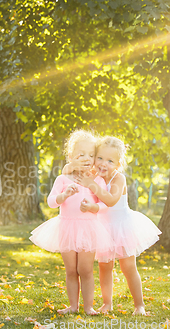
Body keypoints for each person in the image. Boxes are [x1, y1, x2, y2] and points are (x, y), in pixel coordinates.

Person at [70, 136, 161, 316]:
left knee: (128, 266)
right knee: (105, 267)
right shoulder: (95, 175)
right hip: (104, 228)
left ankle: (139, 305)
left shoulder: (119, 179)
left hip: (122, 227)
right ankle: (107, 303)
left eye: (110, 161)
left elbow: (111, 200)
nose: (104, 164)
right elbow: (71, 172)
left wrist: (91, 185)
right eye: (100, 158)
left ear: (118, 164)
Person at [29, 129, 113, 315]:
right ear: (70, 156)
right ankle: (73, 306)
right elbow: (51, 202)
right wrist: (64, 195)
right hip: (67, 227)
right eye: (81, 154)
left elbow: (105, 204)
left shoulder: (95, 180)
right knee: (71, 270)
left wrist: (92, 207)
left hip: (88, 228)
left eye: (91, 155)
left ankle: (88, 306)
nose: (86, 158)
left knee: (85, 269)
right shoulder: (63, 179)